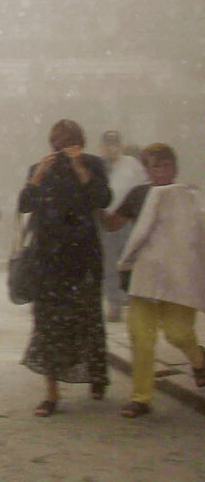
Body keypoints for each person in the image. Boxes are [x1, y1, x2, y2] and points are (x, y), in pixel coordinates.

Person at [101, 143, 205, 418]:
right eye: (155, 166)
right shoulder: (139, 195)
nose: (161, 172)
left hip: (179, 278)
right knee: (141, 337)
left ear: (175, 168)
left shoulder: (189, 196)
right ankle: (141, 397)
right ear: (147, 170)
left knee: (178, 333)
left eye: (165, 165)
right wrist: (95, 200)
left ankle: (199, 359)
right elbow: (113, 224)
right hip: (144, 278)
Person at [18, 119, 111, 417]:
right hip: (48, 259)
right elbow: (24, 205)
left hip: (82, 257)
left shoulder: (93, 165)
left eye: (69, 140)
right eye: (58, 141)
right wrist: (39, 175)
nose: (62, 146)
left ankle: (97, 375)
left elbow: (102, 198)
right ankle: (51, 393)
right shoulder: (40, 168)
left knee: (88, 320)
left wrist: (80, 166)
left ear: (80, 142)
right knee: (47, 325)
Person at [98, 130, 148, 322]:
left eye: (114, 144)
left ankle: (133, 299)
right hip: (105, 222)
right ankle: (114, 303)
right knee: (109, 264)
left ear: (120, 145)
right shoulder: (98, 166)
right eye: (107, 144)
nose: (111, 148)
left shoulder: (131, 165)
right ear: (101, 146)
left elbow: (143, 187)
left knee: (131, 261)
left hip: (127, 221)